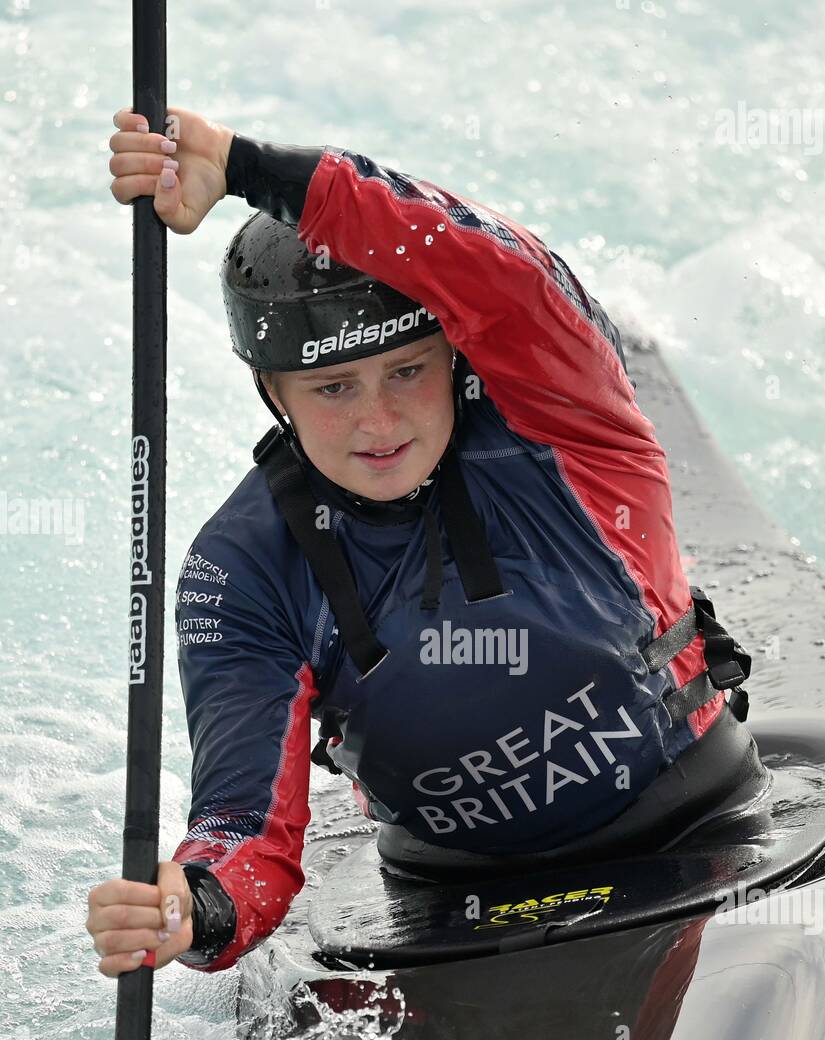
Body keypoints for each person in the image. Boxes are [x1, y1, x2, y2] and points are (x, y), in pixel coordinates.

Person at [86, 106, 762, 979]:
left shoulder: (562, 419)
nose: (378, 420)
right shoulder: (241, 570)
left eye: (406, 370)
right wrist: (195, 905)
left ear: (454, 349)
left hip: (697, 833)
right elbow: (246, 833)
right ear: (271, 390)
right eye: (332, 388)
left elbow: (502, 272)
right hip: (447, 908)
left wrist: (241, 163)